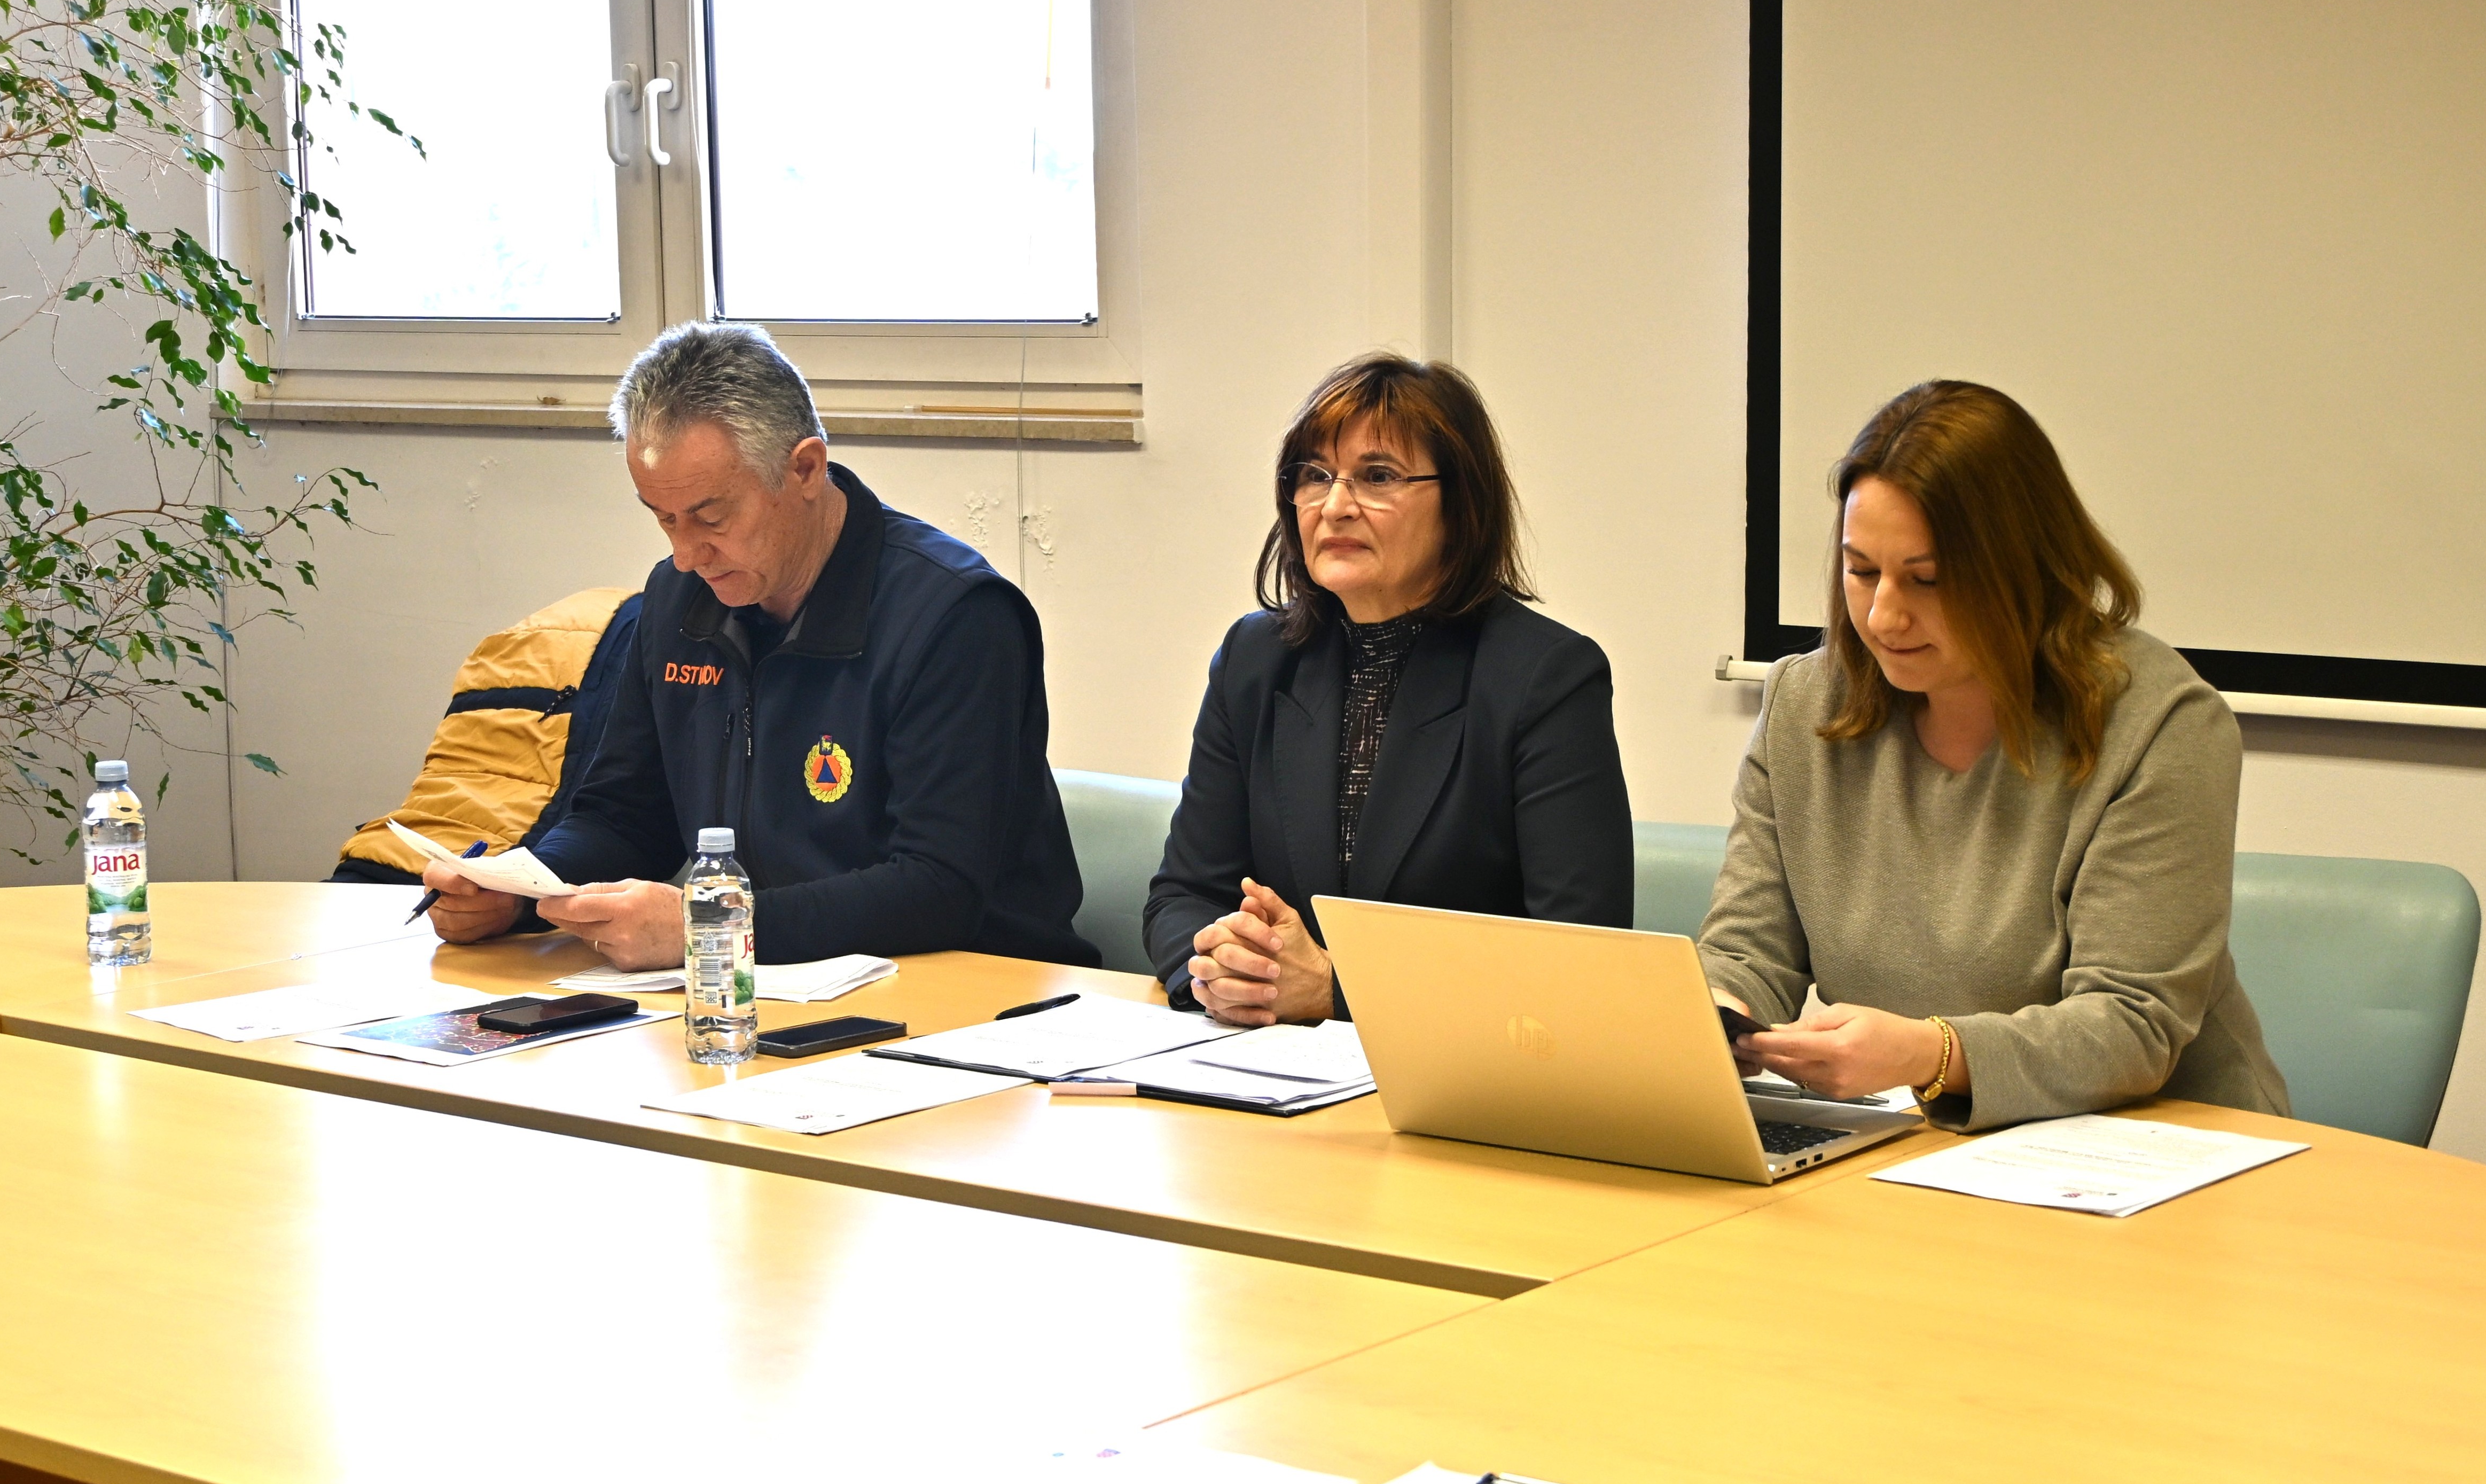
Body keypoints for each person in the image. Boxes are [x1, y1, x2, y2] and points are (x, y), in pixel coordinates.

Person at [1700, 379, 2288, 1131]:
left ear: (2026, 568)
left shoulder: (2160, 724)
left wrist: (1931, 1053)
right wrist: (1721, 1013)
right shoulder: (1802, 705)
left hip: (2161, 1144)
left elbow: (2132, 1024)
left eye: (1928, 580)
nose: (1883, 615)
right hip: (1919, 1140)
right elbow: (1748, 953)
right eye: (1861, 571)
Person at [420, 322, 1098, 969]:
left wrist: (712, 924)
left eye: (711, 518)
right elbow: (625, 817)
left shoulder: (955, 615)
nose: (686, 554)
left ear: (804, 469)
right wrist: (519, 889)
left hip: (970, 988)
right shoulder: (678, 598)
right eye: (664, 519)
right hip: (763, 979)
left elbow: (939, 888)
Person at [1144, 352, 1636, 1024]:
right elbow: (1183, 896)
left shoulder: (1545, 677)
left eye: (1377, 477)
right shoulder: (1255, 659)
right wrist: (1223, 969)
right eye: (1314, 475)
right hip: (1266, 1054)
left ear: (1460, 504)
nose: (1335, 506)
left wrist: (1337, 992)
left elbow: (1579, 958)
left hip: (1463, 1064)